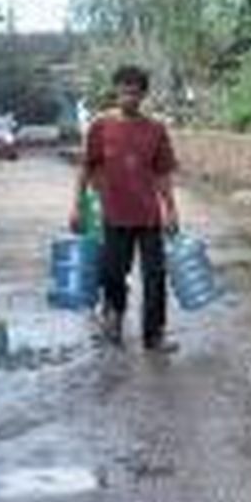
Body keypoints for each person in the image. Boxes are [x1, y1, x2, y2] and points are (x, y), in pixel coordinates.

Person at [70, 65, 180, 352]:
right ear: (116, 91)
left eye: (134, 93)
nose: (128, 98)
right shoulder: (100, 126)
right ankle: (115, 317)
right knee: (112, 274)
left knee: (155, 276)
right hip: (114, 214)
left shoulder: (155, 129)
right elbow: (85, 167)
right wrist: (77, 207)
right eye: (123, 92)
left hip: (148, 216)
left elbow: (163, 174)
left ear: (143, 95)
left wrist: (171, 210)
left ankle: (154, 335)